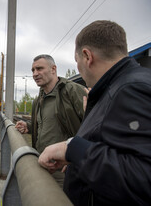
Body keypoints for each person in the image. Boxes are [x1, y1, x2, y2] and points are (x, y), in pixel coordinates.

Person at [38, 20, 151, 205]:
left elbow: (143, 178)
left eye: (77, 62)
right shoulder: (116, 88)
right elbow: (116, 148)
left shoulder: (131, 90)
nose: (78, 69)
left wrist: (72, 149)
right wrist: (79, 164)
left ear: (87, 56)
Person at [15, 54, 86, 187]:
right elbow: (46, 125)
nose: (35, 74)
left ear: (53, 69)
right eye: (33, 70)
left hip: (65, 170)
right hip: (42, 164)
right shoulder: (38, 99)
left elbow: (93, 126)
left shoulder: (72, 91)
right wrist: (29, 127)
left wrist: (74, 156)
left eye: (39, 69)